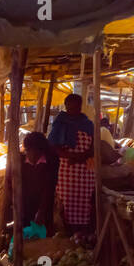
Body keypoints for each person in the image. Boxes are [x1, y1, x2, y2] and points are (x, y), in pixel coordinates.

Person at [47, 93, 96, 235]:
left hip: (86, 170)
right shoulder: (60, 123)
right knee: (66, 202)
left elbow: (94, 146)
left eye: (76, 107)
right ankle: (66, 232)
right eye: (70, 108)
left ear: (81, 107)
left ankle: (83, 234)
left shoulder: (88, 124)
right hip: (66, 169)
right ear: (66, 106)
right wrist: (72, 156)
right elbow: (54, 147)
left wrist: (81, 157)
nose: (73, 110)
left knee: (84, 202)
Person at [19, 131, 59, 233]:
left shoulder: (51, 161)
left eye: (35, 152)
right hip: (25, 202)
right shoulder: (20, 161)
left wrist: (42, 210)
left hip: (45, 201)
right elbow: (16, 186)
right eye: (28, 151)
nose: (31, 155)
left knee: (44, 232)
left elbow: (49, 187)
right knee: (26, 231)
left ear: (41, 151)